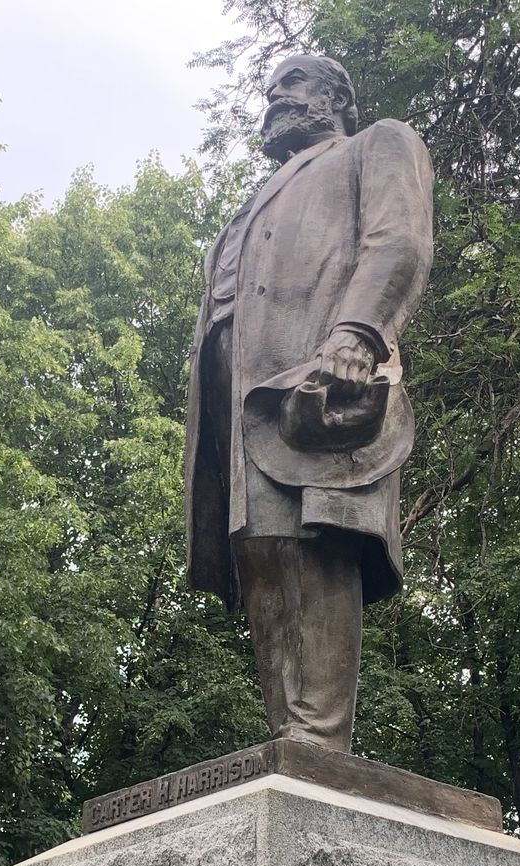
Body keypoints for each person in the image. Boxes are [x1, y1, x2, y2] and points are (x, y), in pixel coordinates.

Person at [184, 54, 434, 752]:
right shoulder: (262, 192)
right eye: (268, 90)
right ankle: (290, 733)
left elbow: (401, 240)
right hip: (242, 398)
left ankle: (320, 738)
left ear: (335, 98)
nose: (273, 98)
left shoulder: (375, 144)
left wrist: (359, 331)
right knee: (262, 549)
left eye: (291, 85)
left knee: (317, 537)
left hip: (316, 374)